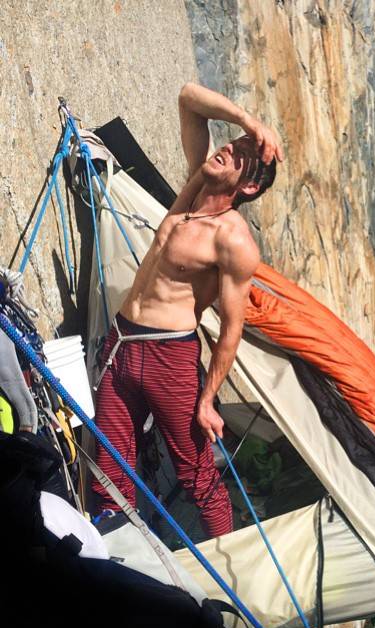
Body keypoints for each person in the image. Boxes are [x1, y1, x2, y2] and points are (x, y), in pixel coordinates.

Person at [91, 82, 284, 538]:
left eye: (238, 156)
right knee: (109, 462)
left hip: (169, 359)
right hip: (122, 342)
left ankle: (231, 567)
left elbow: (233, 326)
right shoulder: (194, 190)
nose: (225, 151)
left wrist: (207, 399)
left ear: (250, 185)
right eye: (229, 145)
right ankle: (111, 556)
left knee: (197, 477)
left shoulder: (233, 239)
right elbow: (187, 98)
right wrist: (247, 124)